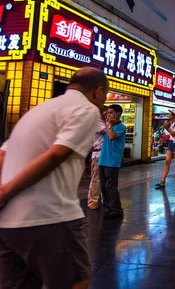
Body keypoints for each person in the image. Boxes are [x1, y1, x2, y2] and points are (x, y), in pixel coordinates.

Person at [0, 67, 108, 289]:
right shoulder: (86, 110)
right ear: (98, 91)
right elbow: (57, 154)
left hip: (8, 222)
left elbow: (4, 152)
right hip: (49, 217)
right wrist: (6, 190)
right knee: (75, 281)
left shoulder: (38, 110)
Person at [97, 104, 127, 219]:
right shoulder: (108, 126)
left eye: (110, 113)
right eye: (107, 113)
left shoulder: (121, 127)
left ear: (118, 115)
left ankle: (116, 209)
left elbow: (112, 137)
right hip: (103, 160)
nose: (108, 115)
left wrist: (109, 125)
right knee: (103, 186)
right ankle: (107, 208)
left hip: (112, 161)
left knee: (111, 186)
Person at [88, 106, 107, 210]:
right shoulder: (98, 123)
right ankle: (93, 201)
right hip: (97, 154)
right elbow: (108, 133)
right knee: (96, 179)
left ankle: (104, 199)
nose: (107, 115)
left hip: (104, 154)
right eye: (106, 113)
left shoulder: (104, 123)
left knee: (104, 179)